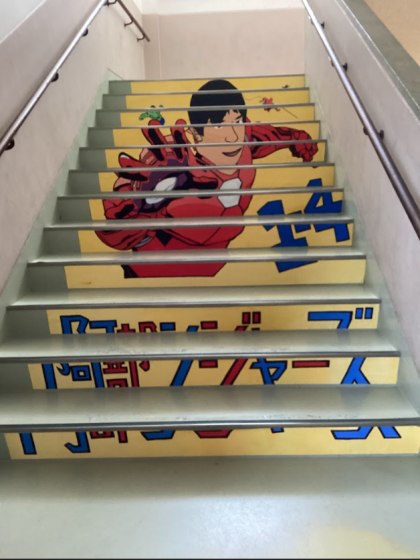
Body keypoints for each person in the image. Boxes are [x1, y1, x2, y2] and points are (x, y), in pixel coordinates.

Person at [96, 79, 318, 278]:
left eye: (238, 121)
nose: (232, 137)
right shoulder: (173, 161)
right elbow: (115, 227)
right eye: (218, 125)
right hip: (152, 277)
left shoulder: (244, 143)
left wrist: (298, 139)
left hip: (216, 272)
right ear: (196, 134)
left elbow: (269, 136)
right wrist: (142, 201)